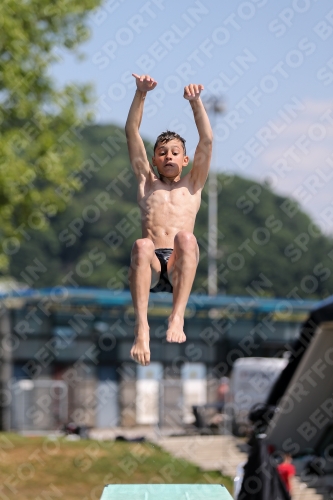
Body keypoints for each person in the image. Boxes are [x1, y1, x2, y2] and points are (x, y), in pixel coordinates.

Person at [125, 73, 213, 366]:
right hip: (150, 264)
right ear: (154, 160)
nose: (169, 156)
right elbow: (131, 132)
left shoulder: (194, 184)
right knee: (140, 244)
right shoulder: (146, 183)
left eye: (175, 152)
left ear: (185, 160)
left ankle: (177, 316)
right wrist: (141, 94)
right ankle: (142, 328)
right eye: (162, 153)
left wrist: (196, 102)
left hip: (179, 263)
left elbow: (207, 140)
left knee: (186, 238)